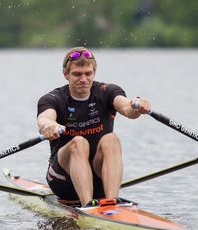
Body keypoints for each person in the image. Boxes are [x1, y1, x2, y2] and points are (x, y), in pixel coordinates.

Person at [37, 47, 151, 207]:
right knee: (79, 142)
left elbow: (127, 109)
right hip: (63, 180)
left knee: (111, 139)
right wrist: (49, 125)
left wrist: (137, 105)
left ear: (94, 72)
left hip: (99, 178)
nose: (83, 79)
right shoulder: (52, 99)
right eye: (77, 74)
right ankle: (88, 207)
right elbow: (44, 119)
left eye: (88, 74)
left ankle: (110, 203)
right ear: (65, 74)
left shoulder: (107, 91)